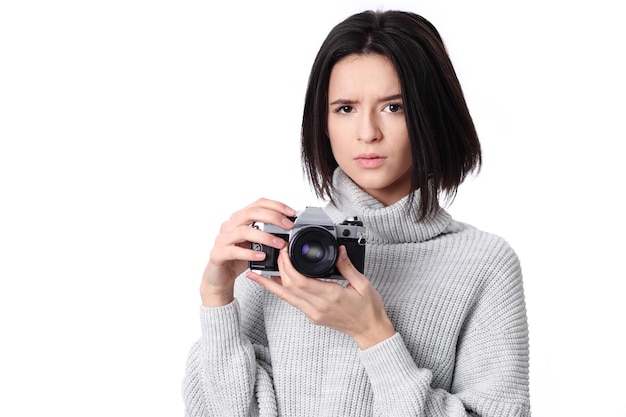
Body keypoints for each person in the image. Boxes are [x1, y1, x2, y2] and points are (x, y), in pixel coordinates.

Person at [182, 9, 530, 417]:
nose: (368, 132)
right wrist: (217, 298)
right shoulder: (283, 248)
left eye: (394, 107)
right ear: (323, 123)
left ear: (431, 117)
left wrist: (373, 333)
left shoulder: (484, 265)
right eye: (345, 108)